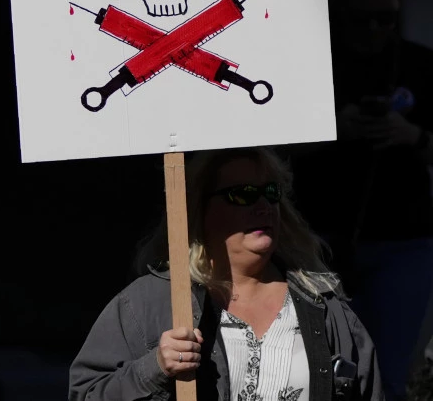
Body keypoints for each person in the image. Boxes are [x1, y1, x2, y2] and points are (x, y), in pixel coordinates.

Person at [69, 146, 383, 401]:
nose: (263, 206)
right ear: (199, 209)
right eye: (243, 194)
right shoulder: (148, 303)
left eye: (270, 192)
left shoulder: (323, 305)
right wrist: (154, 368)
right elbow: (86, 393)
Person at [290, 0, 433, 400]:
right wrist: (336, 127)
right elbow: (273, 150)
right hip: (319, 243)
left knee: (386, 378)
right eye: (361, 19)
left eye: (386, 19)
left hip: (402, 240)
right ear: (339, 10)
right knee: (322, 378)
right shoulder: (314, 62)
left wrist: (412, 135)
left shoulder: (419, 65)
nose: (374, 31)